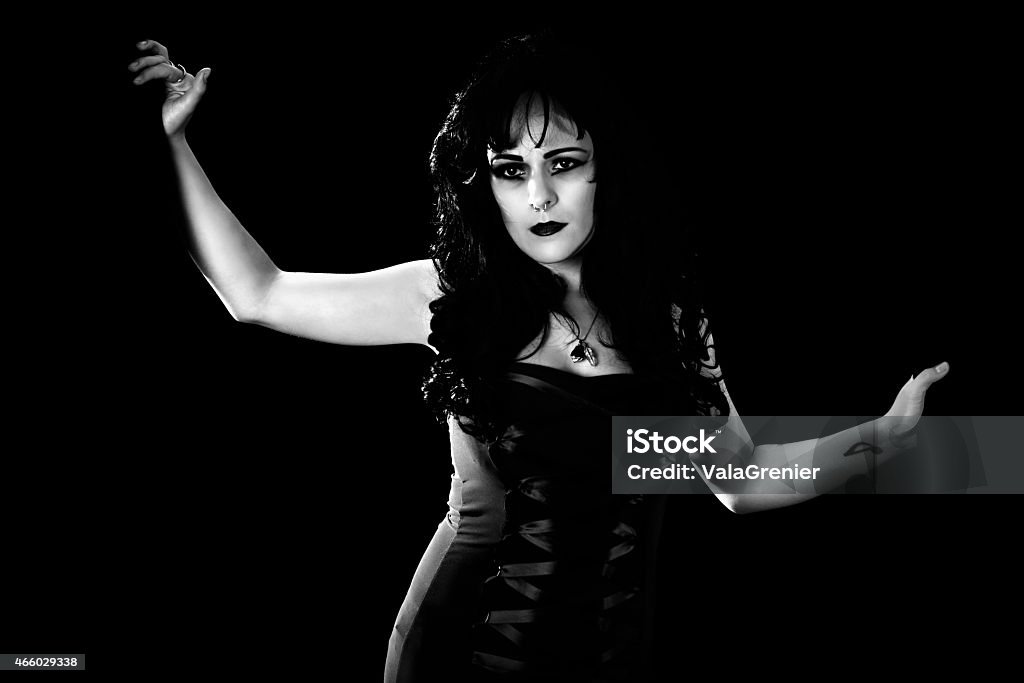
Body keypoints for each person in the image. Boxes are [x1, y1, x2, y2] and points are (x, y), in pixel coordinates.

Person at [128, 30, 950, 682]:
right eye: (510, 171)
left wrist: (883, 437)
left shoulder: (668, 321)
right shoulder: (451, 297)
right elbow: (258, 294)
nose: (541, 198)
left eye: (563, 164)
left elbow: (737, 482)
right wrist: (173, 144)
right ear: (485, 185)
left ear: (604, 172)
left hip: (610, 657)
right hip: (461, 653)